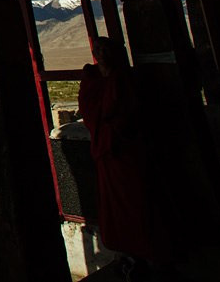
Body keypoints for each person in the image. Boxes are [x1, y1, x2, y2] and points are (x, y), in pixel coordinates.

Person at [78, 37, 171, 280]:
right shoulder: (93, 81)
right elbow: (90, 110)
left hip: (127, 151)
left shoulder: (123, 80)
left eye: (106, 49)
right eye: (98, 49)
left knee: (139, 200)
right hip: (108, 150)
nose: (102, 53)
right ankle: (131, 250)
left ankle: (148, 250)